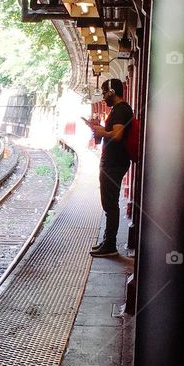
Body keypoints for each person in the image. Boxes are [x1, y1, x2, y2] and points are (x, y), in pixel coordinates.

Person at [83, 77, 134, 257]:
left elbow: (118, 135)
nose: (103, 97)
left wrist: (102, 131)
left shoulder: (120, 110)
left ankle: (110, 245)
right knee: (109, 203)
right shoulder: (119, 109)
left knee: (110, 204)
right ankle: (107, 241)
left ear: (112, 92)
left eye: (105, 93)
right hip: (113, 162)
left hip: (114, 163)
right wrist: (99, 129)